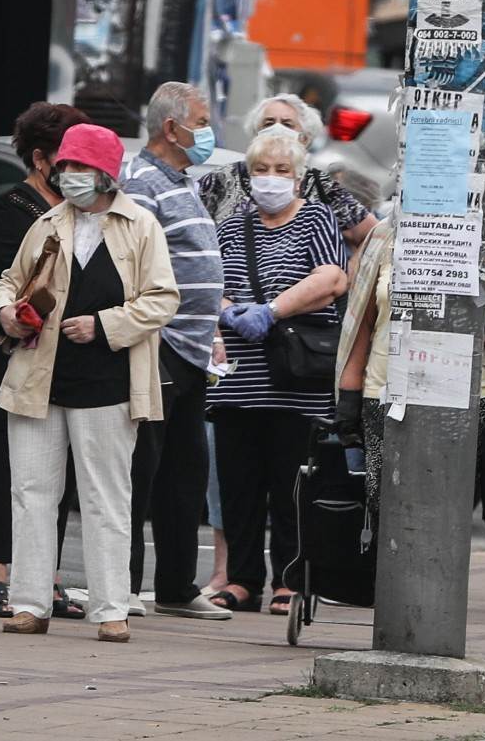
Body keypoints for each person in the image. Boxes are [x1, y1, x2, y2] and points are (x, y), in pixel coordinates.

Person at [0, 123, 180, 643]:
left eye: (80, 167)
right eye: (65, 166)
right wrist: (7, 312)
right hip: (39, 377)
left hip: (109, 380)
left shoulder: (140, 225)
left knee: (107, 497)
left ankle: (111, 607)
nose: (68, 175)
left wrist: (105, 325)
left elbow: (163, 298)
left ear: (105, 174)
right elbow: (9, 279)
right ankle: (29, 603)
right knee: (31, 493)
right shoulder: (48, 223)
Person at [206, 132, 347, 616]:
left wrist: (269, 310)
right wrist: (230, 313)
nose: (271, 179)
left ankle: (290, 581)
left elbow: (330, 280)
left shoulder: (316, 218)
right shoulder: (231, 226)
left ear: (299, 175)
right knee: (240, 488)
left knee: (292, 489)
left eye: (282, 170)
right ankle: (242, 580)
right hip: (239, 383)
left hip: (297, 385)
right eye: (262, 169)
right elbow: (211, 288)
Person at [0, 102, 90, 620]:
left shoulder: (84, 212)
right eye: (70, 159)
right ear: (41, 159)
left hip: (63, 359)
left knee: (54, 473)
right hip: (12, 357)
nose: (79, 172)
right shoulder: (12, 207)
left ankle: (46, 577)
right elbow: (15, 286)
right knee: (6, 471)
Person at [121, 82, 229, 621]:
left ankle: (176, 587)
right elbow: (133, 263)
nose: (208, 131)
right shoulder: (141, 183)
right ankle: (123, 586)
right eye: (202, 121)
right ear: (172, 128)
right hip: (157, 345)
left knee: (185, 470)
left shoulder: (179, 181)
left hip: (190, 351)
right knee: (142, 469)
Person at [335, 224, 485, 523]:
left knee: (445, 519)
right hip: (384, 395)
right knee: (387, 515)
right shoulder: (385, 234)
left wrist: (474, 316)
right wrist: (348, 393)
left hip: (466, 400)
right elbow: (362, 320)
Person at [199, 93, 379, 248]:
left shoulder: (321, 186)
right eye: (268, 123)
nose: (277, 130)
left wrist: (355, 266)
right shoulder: (221, 179)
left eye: (287, 124)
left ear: (305, 139)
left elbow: (374, 234)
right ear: (255, 133)